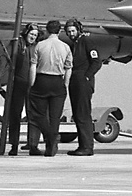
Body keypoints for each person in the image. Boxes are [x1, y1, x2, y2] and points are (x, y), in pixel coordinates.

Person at [27, 19, 72, 156]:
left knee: (38, 114)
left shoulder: (39, 45)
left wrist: (32, 84)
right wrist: (65, 83)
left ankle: (50, 137)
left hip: (42, 79)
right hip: (58, 80)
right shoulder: (65, 47)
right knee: (55, 116)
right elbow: (68, 68)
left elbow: (33, 66)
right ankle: (52, 145)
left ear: (46, 30)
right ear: (60, 31)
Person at [65, 19, 102, 156]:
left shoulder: (86, 41)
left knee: (83, 114)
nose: (71, 34)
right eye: (68, 32)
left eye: (73, 31)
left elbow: (96, 61)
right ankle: (83, 145)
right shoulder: (74, 44)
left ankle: (87, 147)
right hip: (75, 81)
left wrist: (87, 76)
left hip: (83, 81)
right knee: (78, 114)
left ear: (78, 30)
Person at [3, 23, 40, 155]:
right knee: (15, 115)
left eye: (35, 35)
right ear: (26, 33)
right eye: (31, 34)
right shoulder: (18, 44)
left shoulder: (38, 47)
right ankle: (14, 144)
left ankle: (33, 144)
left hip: (33, 85)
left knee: (34, 115)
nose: (33, 37)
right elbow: (6, 60)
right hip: (18, 83)